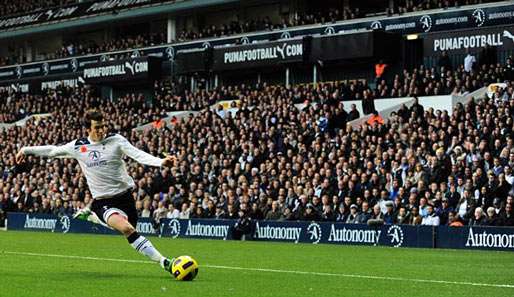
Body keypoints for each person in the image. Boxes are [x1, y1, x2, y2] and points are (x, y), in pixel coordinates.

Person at [15, 110, 177, 274]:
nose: (101, 130)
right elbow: (52, 151)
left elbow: (138, 155)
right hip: (103, 201)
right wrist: (26, 149)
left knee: (129, 230)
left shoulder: (116, 140)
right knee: (127, 229)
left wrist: (161, 162)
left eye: (103, 126)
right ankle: (165, 262)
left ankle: (93, 217)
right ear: (88, 129)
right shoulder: (78, 146)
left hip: (126, 197)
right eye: (97, 127)